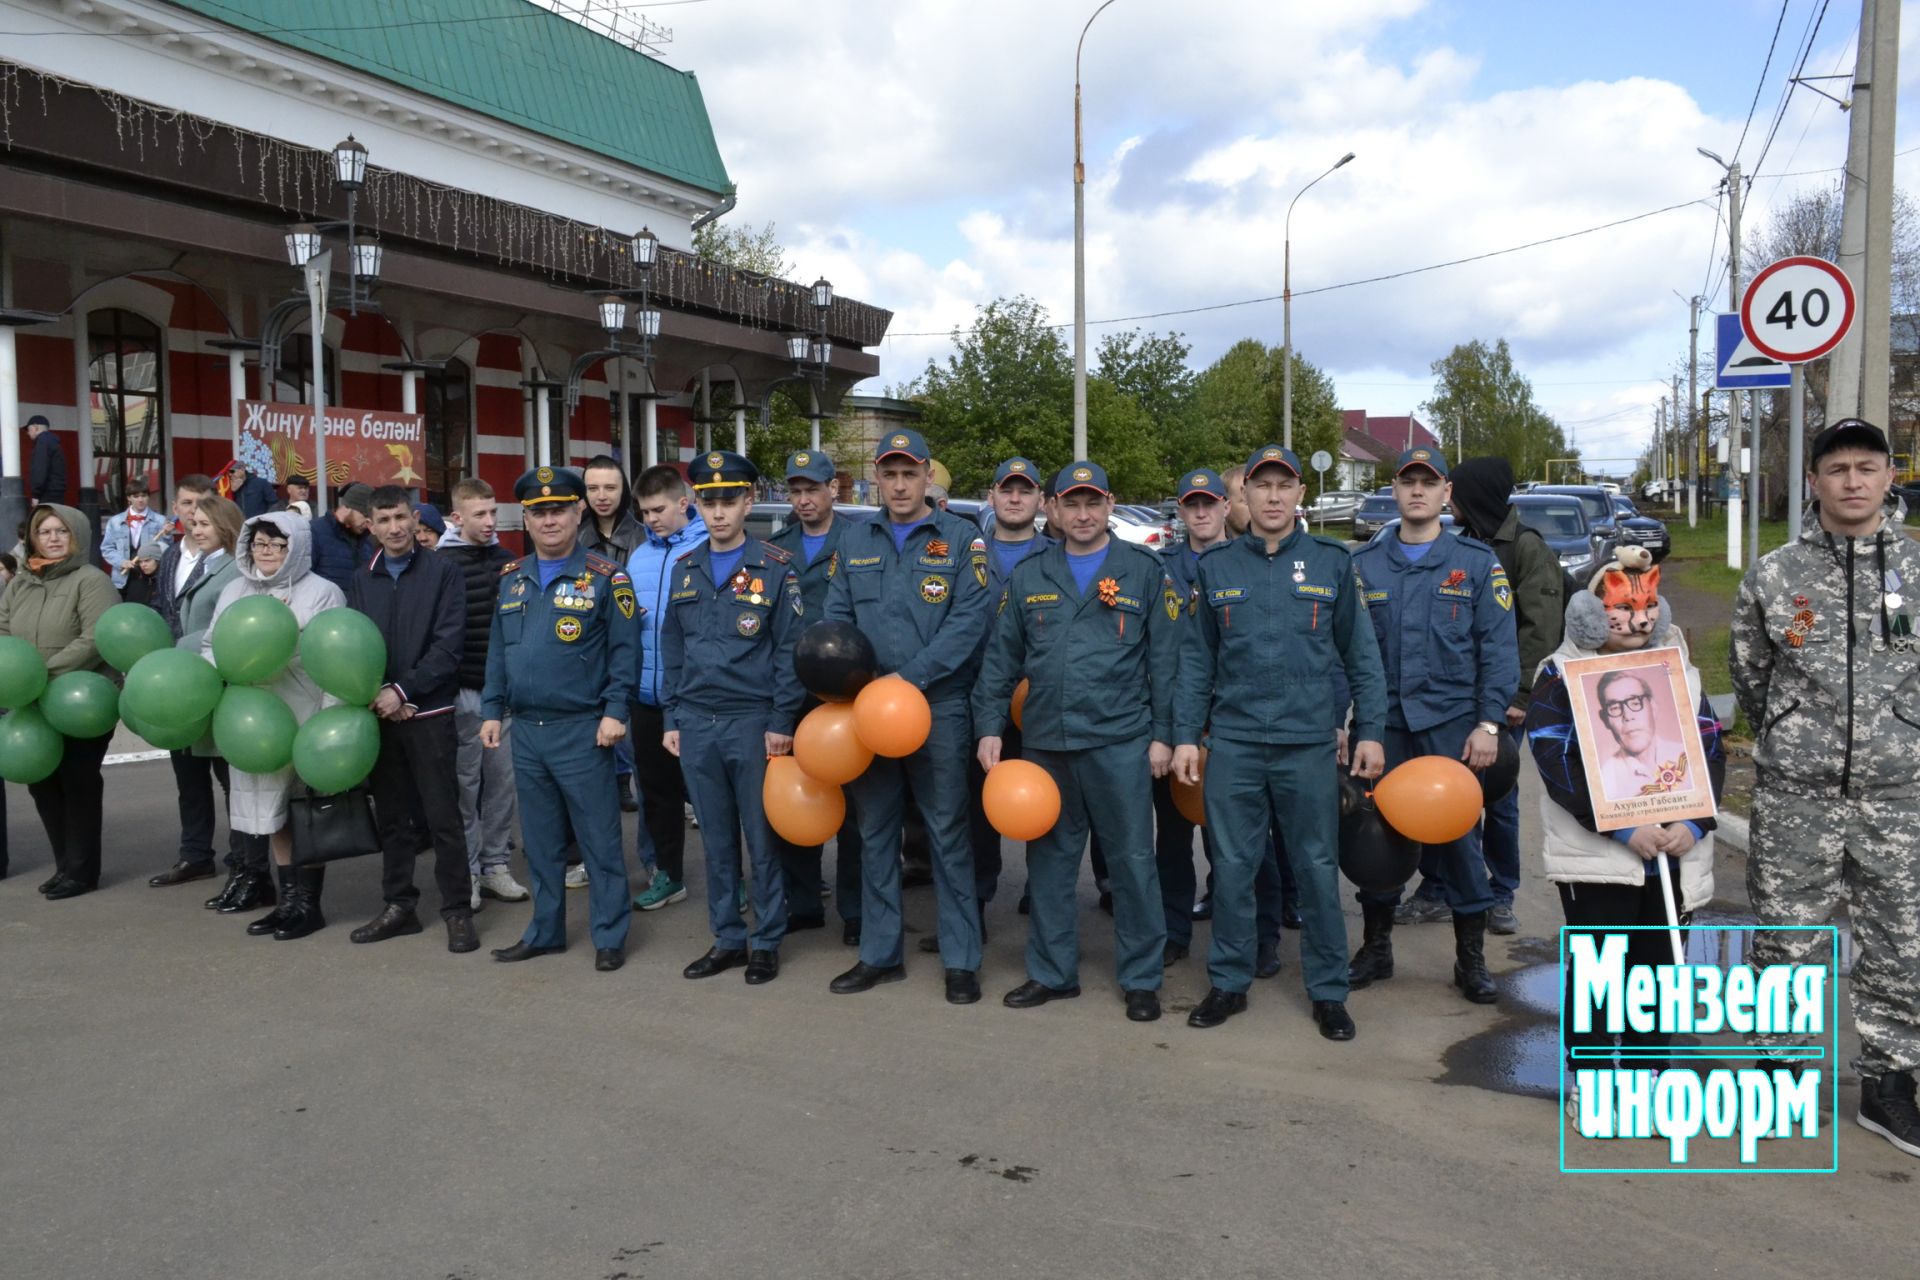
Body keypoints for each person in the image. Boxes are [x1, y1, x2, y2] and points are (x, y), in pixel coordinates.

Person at [1730, 418, 1920, 1157]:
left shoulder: (1915, 572)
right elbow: (1750, 673)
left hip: (1899, 796)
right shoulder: (1775, 575)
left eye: (1866, 467)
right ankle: (1780, 1073)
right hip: (1796, 798)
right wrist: (1791, 730)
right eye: (1836, 468)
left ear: (1889, 475)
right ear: (1813, 481)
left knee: (1900, 944)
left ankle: (1889, 1085)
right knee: (1785, 939)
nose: (1852, 481)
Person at [1172, 445, 1386, 1038]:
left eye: (1282, 486)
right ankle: (1229, 982)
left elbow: (1361, 655)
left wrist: (1369, 730)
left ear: (1299, 495)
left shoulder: (1331, 562)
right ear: (1243, 497)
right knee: (1234, 867)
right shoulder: (1215, 569)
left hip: (1305, 744)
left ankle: (1328, 990)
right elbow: (1195, 664)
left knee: (1316, 867)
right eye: (1260, 486)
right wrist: (1187, 736)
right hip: (1236, 742)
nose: (1271, 497)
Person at [975, 461, 1179, 1022]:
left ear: (1110, 505)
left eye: (1093, 502)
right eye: (1072, 503)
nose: (1083, 514)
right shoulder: (1031, 574)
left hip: (1119, 742)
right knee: (1049, 864)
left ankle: (1141, 977)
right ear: (1054, 510)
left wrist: (1165, 736)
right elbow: (1000, 661)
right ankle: (1051, 972)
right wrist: (990, 726)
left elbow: (1167, 663)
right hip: (1047, 743)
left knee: (1133, 862)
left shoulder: (1143, 570)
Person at [1529, 545, 1722, 1111]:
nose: (1635, 622)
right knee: (1599, 967)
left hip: (1672, 853)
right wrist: (1618, 828)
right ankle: (1587, 1077)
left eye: (1646, 608)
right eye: (1618, 608)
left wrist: (1694, 821)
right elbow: (1555, 759)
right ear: (1591, 614)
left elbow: (1708, 748)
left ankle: (1646, 1076)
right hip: (1600, 859)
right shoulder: (1560, 677)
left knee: (1657, 972)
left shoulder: (1678, 674)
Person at [823, 427, 992, 1004]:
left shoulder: (962, 538)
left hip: (937, 709)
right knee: (874, 833)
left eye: (909, 473)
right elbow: (836, 620)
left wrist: (907, 681)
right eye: (889, 474)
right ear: (876, 478)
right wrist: (860, 686)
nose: (899, 484)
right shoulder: (853, 540)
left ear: (928, 476)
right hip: (868, 711)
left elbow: (969, 625)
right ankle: (879, 954)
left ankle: (962, 959)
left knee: (947, 834)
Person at [1346, 448, 1519, 1006]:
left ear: (1447, 493)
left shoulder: (1475, 562)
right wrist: (1341, 724)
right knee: (1376, 838)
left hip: (1451, 727)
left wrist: (1489, 724)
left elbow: (1498, 649)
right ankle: (1376, 948)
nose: (1417, 491)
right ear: (1394, 492)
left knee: (1461, 842)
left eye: (1428, 482)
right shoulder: (1364, 566)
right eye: (1407, 482)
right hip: (1384, 726)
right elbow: (1342, 654)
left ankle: (1470, 961)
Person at [481, 466, 638, 972]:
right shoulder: (511, 578)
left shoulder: (608, 578)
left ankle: (610, 934)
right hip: (527, 731)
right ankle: (546, 930)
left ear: (578, 512)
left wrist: (616, 711)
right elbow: (498, 652)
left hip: (583, 730)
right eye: (538, 512)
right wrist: (491, 709)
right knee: (543, 843)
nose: (549, 520)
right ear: (526, 520)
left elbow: (625, 653)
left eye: (558, 510)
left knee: (599, 841)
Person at [662, 450, 806, 985]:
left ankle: (766, 940)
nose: (718, 512)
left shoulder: (775, 567)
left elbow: (792, 651)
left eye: (729, 500)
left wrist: (782, 720)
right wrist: (672, 716)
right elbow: (672, 647)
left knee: (762, 838)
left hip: (753, 722)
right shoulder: (684, 568)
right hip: (697, 722)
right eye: (708, 501)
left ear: (749, 502)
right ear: (695, 503)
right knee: (717, 840)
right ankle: (727, 937)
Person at [1406, 455, 1564, 935]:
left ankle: (1500, 892)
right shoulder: (1464, 542)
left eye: (1457, 491)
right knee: (1443, 795)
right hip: (1457, 699)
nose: (1448, 497)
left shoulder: (1525, 548)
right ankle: (1436, 887)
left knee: (1497, 799)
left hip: (1504, 701)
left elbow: (1541, 629)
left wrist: (1517, 696)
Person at [1154, 467, 1287, 970]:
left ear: (1227, 507)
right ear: (1182, 511)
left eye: (1211, 503)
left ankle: (1263, 934)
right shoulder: (1158, 568)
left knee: (1245, 840)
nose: (1203, 512)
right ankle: (1173, 931)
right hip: (1174, 722)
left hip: (1234, 723)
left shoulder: (1253, 562)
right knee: (1171, 836)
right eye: (1192, 505)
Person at [345, 487, 479, 953]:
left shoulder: (443, 572)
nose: (395, 528)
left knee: (443, 817)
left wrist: (403, 691)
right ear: (371, 526)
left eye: (401, 517)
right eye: (383, 520)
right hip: (383, 715)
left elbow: (448, 646)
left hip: (431, 713)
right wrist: (380, 693)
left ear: (415, 517)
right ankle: (399, 905)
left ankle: (458, 910)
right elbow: (356, 646)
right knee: (394, 819)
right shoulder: (363, 578)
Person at [205, 512, 345, 940]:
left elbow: (337, 656)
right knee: (274, 816)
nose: (267, 552)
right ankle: (287, 902)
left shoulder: (322, 592)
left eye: (277, 544)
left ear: (296, 547)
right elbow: (213, 644)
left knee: (306, 814)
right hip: (252, 720)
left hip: (303, 714)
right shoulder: (234, 590)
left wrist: (330, 723)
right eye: (259, 544)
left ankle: (309, 905)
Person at [159, 495, 277, 910]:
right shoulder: (207, 566)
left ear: (226, 526)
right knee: (208, 784)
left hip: (223, 690)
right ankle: (223, 863)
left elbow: (228, 633)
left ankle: (247, 869)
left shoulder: (233, 572)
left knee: (238, 787)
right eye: (193, 523)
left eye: (205, 523)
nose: (196, 529)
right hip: (196, 688)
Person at [951, 456, 1051, 935]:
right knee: (978, 807)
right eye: (1006, 490)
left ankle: (1043, 895)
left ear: (1040, 501)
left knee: (1044, 804)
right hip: (979, 700)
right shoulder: (964, 553)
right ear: (991, 497)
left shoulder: (1057, 554)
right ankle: (976, 904)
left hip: (1040, 702)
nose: (1015, 498)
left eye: (1024, 490)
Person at [768, 450, 865, 941]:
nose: (804, 499)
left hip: (846, 696)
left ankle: (856, 911)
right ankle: (803, 902)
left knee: (854, 809)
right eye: (796, 491)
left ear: (834, 490)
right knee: (794, 798)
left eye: (813, 489)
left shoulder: (860, 540)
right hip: (793, 691)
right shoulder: (777, 546)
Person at [0, 503, 118, 898]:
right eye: (44, 531)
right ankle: (64, 865)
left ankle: (83, 871)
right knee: (43, 782)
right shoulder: (21, 581)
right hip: (32, 700)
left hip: (80, 697)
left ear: (77, 536)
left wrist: (41, 672)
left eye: (61, 531)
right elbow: (1, 628)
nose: (52, 538)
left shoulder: (91, 580)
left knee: (78, 780)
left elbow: (95, 638)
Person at [438, 479, 529, 908]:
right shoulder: (438, 564)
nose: (490, 521)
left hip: (504, 695)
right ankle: (469, 871)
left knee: (501, 786)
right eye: (480, 514)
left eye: (494, 512)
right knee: (464, 787)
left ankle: (495, 866)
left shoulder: (510, 562)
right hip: (461, 696)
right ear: (457, 517)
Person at [625, 463, 707, 910]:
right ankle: (670, 877)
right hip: (647, 697)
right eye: (643, 512)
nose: (651, 519)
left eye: (658, 509)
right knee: (657, 798)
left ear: (683, 503)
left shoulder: (707, 549)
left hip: (695, 699)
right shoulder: (639, 556)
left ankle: (731, 880)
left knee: (712, 798)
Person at [582, 455, 645, 815]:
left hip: (633, 644)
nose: (602, 496)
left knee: (633, 734)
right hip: (587, 645)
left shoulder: (642, 534)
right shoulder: (575, 535)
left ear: (624, 490)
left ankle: (625, 778)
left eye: (610, 487)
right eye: (593, 488)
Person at [1593, 671, 1686, 801]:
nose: (1628, 716)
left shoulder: (1686, 757)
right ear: (1605, 719)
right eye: (1614, 708)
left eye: (1635, 702)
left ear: (1653, 707)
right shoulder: (1604, 780)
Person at [100, 479, 159, 596]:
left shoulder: (160, 521)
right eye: (136, 496)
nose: (140, 500)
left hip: (149, 579)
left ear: (148, 497)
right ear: (129, 498)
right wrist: (121, 562)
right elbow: (107, 548)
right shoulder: (115, 521)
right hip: (121, 578)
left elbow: (165, 551)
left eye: (144, 495)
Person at [310, 482, 373, 590]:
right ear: (348, 507)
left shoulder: (367, 543)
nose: (367, 523)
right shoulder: (314, 532)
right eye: (365, 515)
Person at [26, 414, 67, 506]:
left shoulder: (42, 442)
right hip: (57, 492)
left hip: (47, 493)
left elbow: (39, 469)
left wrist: (36, 495)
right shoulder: (53, 442)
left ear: (36, 427)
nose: (28, 433)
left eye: (29, 429)